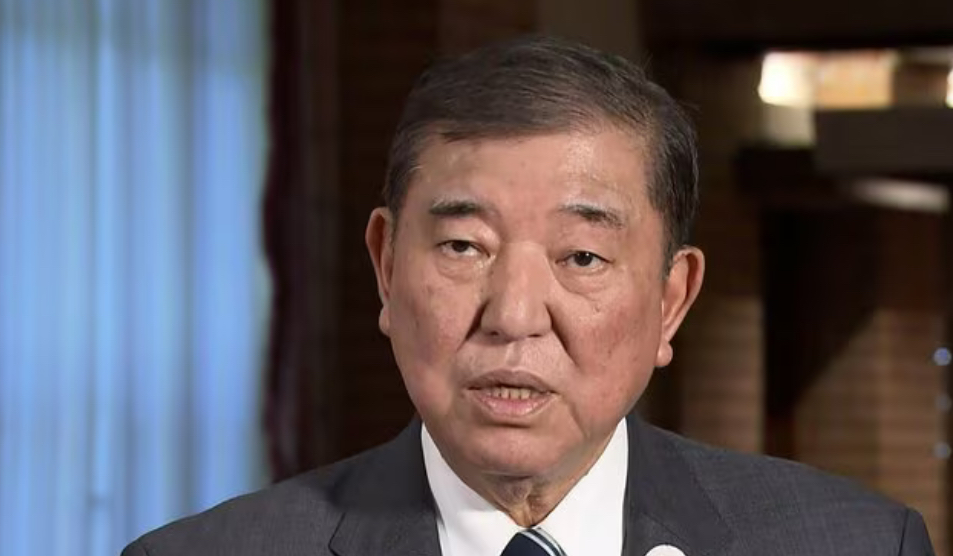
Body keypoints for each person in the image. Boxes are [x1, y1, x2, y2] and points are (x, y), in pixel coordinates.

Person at [122, 35, 936, 556]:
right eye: (462, 247)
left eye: (581, 256)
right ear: (386, 266)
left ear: (672, 299)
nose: (513, 317)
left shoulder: (852, 545)